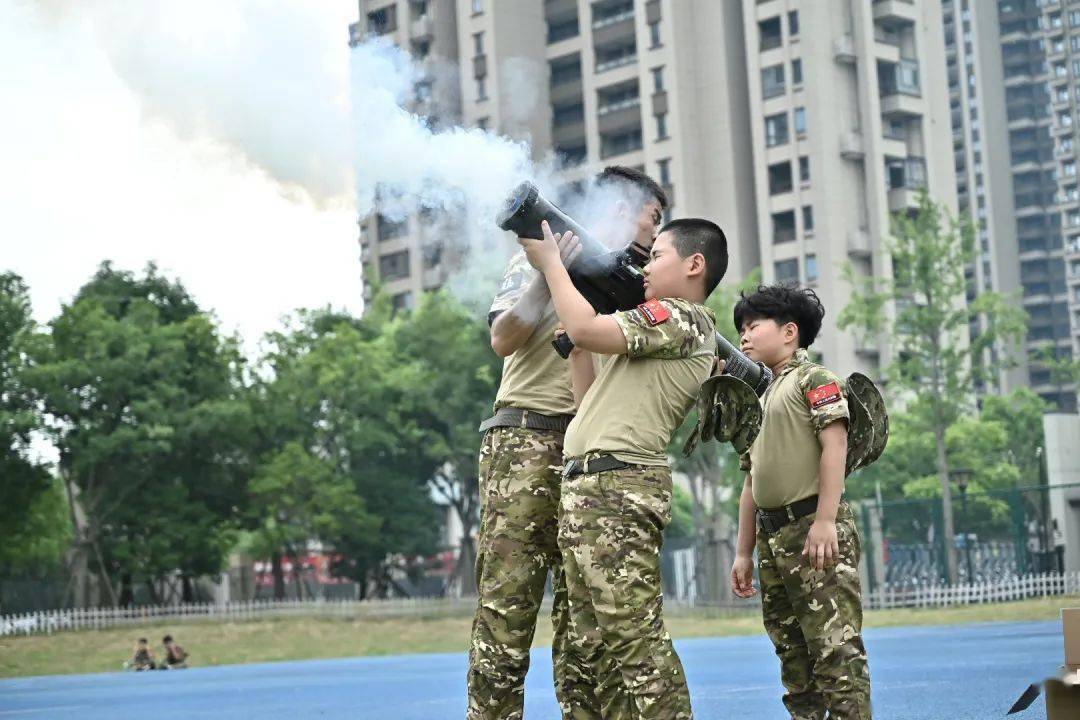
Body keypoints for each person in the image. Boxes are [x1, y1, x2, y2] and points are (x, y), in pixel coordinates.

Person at [467, 166, 669, 720]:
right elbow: (502, 339)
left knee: (586, 624)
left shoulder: (639, 288)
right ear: (619, 206)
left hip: (592, 454)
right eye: (652, 218)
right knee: (507, 609)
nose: (654, 233)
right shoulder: (542, 257)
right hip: (526, 440)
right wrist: (548, 273)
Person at [519, 216, 729, 719]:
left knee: (634, 640)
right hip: (591, 485)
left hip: (619, 486)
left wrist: (552, 265)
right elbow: (588, 404)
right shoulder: (650, 332)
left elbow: (584, 326)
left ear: (694, 265)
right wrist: (577, 353)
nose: (646, 268)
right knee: (593, 648)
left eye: (657, 256)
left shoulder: (681, 318)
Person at [729, 284, 872, 719]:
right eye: (741, 328)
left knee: (836, 653)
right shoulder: (759, 395)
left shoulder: (815, 380)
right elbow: (752, 481)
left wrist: (826, 521)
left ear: (790, 332)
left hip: (813, 529)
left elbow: (835, 445)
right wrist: (743, 551)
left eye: (753, 325)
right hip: (773, 537)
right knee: (794, 659)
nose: (744, 336)